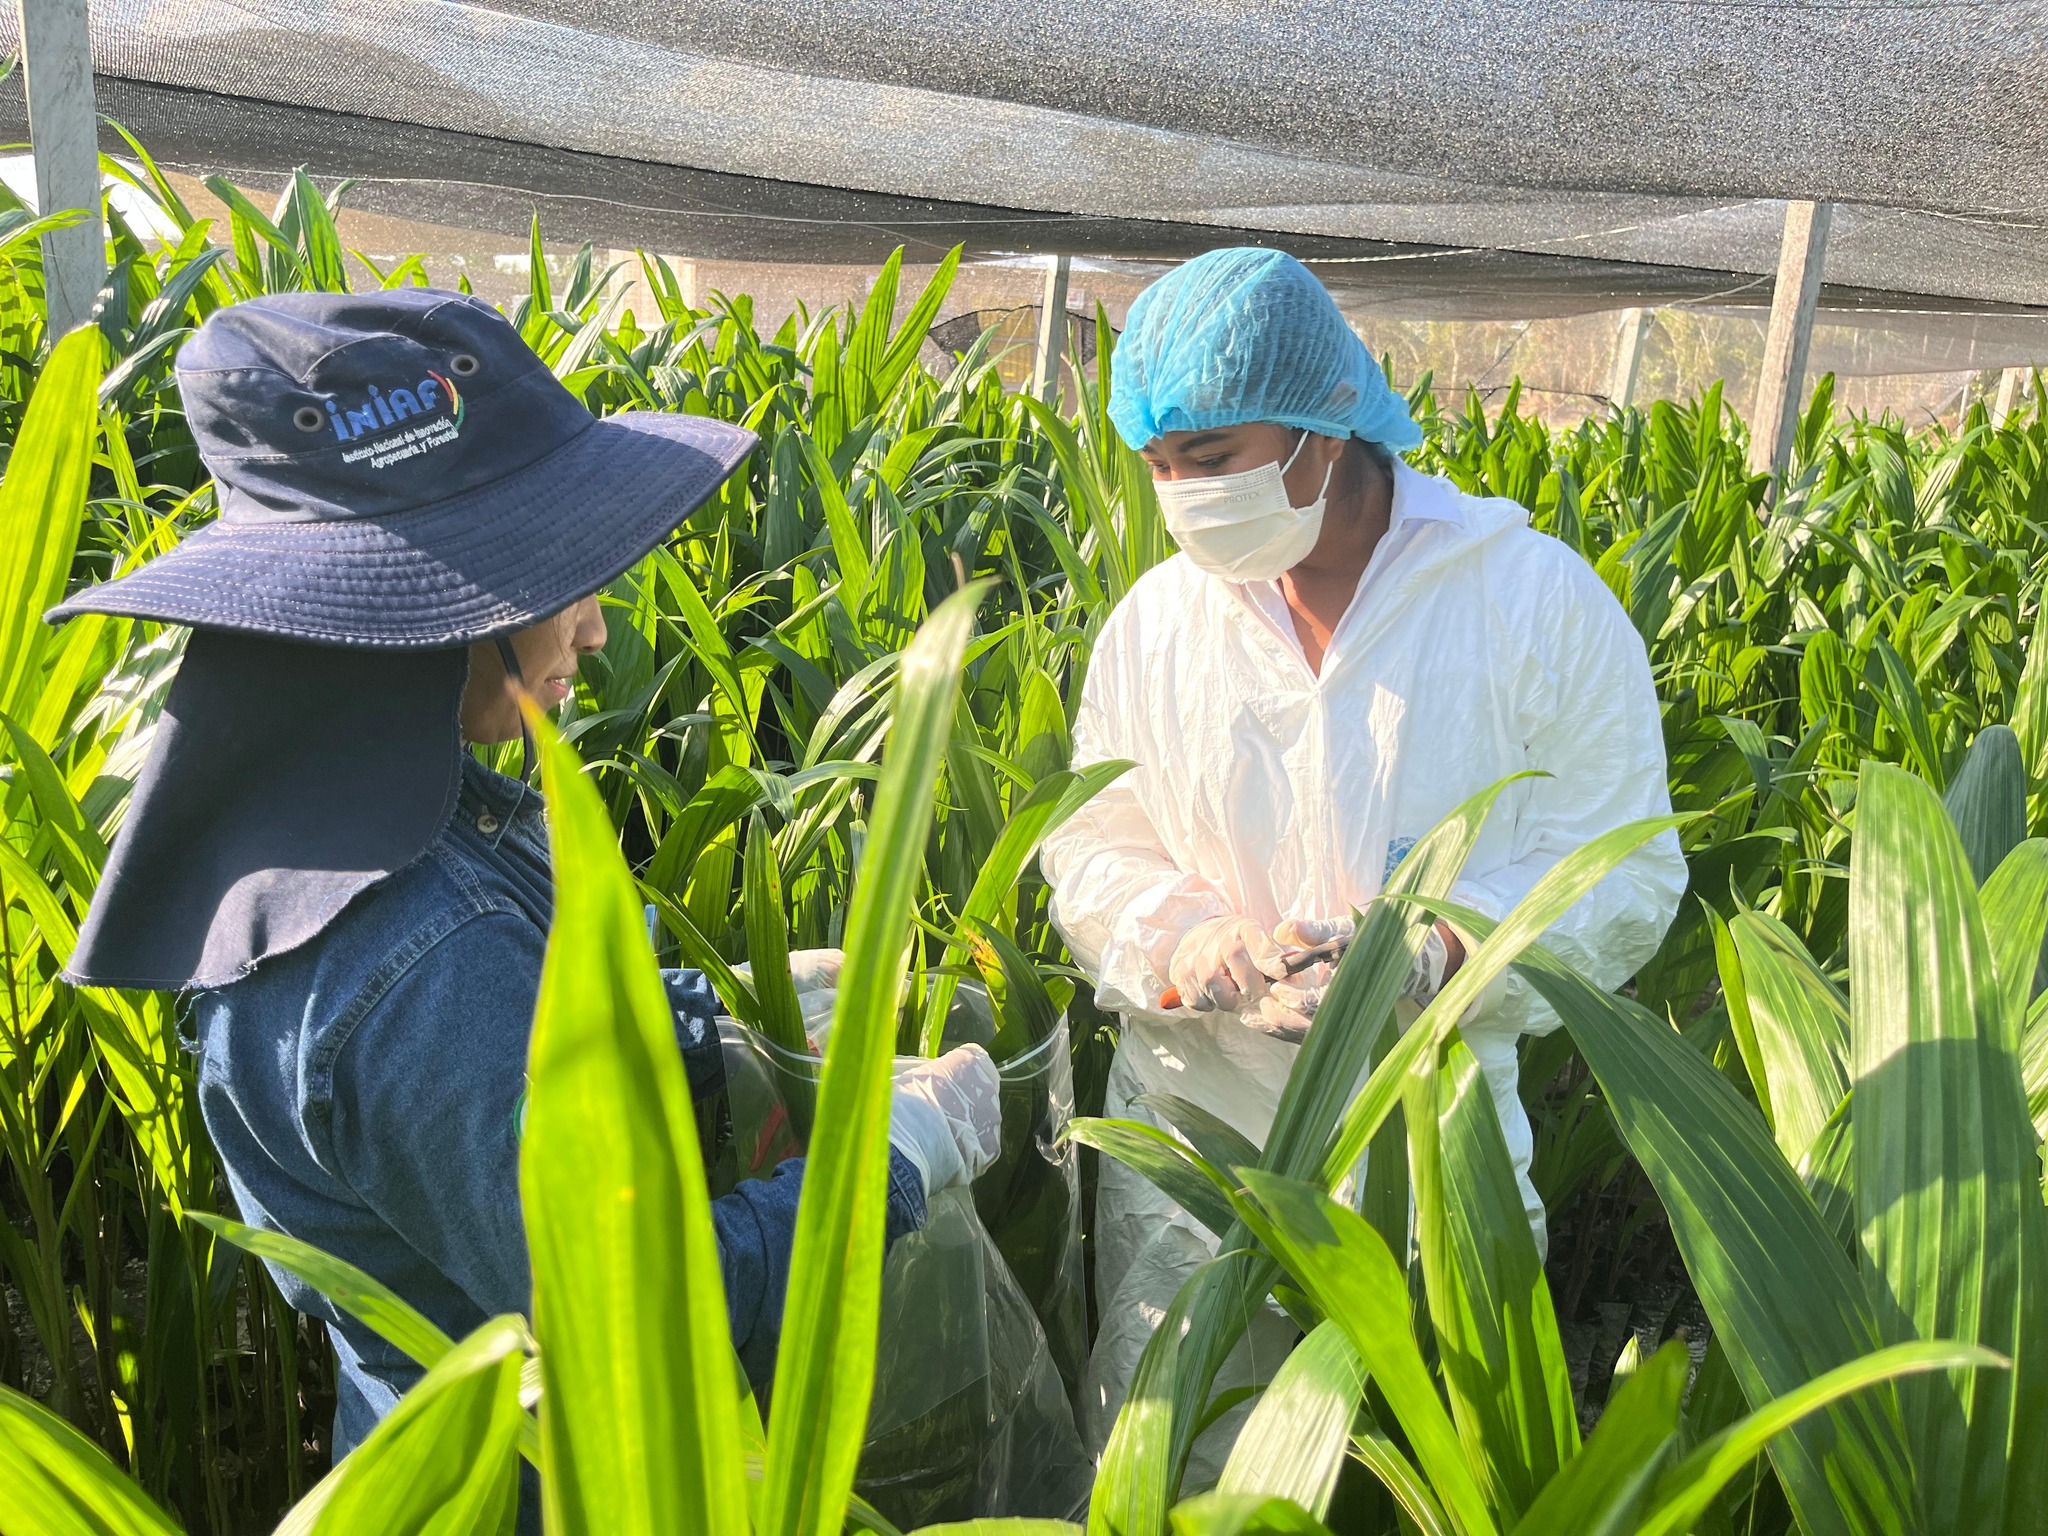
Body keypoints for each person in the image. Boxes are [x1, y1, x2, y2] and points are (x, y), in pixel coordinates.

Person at [49, 289, 1004, 1505]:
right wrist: (895, 1156)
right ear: (416, 606)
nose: (595, 629)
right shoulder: (420, 960)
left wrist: (711, 1026)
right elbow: (649, 1324)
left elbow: (514, 1081)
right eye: (556, 578)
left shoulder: (352, 832)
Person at [1039, 248, 1686, 1465]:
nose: (1183, 496)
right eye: (1160, 467)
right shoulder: (1157, 623)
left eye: (1215, 460)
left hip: (1429, 1158)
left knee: (1413, 1465)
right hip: (1192, 1145)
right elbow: (1092, 844)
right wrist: (1188, 939)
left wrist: (1439, 948)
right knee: (1176, 1458)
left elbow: (1623, 870)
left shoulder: (1528, 602)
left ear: (1320, 430)